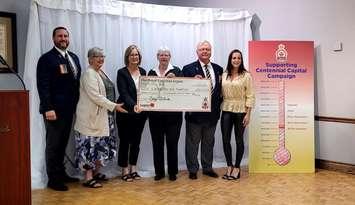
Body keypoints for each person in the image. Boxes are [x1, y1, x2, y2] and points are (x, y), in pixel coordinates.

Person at [74, 47, 127, 188]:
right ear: (90, 58)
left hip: (104, 116)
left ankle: (96, 173)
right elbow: (96, 96)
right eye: (97, 56)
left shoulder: (100, 72)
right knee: (89, 147)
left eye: (103, 56)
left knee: (100, 147)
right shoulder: (89, 74)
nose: (101, 59)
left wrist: (112, 107)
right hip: (90, 118)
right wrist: (114, 106)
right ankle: (88, 178)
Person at [36, 26, 81, 191]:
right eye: (60, 36)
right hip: (53, 111)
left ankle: (61, 174)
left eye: (66, 36)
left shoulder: (73, 57)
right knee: (53, 145)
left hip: (69, 110)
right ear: (53, 38)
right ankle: (53, 179)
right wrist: (48, 107)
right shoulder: (47, 59)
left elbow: (75, 83)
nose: (63, 39)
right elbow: (43, 85)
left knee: (62, 144)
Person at [182, 40, 223, 180]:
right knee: (192, 143)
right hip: (195, 115)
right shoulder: (188, 68)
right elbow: (182, 90)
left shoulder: (218, 69)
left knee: (208, 142)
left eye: (207, 49)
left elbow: (220, 91)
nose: (205, 51)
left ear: (211, 51)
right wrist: (192, 81)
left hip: (213, 114)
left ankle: (207, 168)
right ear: (197, 52)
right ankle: (193, 169)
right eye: (202, 49)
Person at [148, 47, 183, 181]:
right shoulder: (151, 72)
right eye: (161, 55)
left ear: (170, 57)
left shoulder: (177, 71)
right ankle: (159, 172)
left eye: (166, 55)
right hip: (155, 117)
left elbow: (184, 90)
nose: (164, 57)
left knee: (172, 144)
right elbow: (148, 93)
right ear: (157, 57)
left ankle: (173, 172)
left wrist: (176, 79)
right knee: (157, 144)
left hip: (173, 117)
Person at [220, 49, 255, 180]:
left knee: (239, 140)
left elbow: (251, 95)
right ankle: (229, 166)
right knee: (225, 139)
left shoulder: (246, 76)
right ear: (230, 59)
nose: (236, 60)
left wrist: (248, 114)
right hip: (226, 109)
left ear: (241, 60)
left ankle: (237, 168)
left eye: (238, 58)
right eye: (234, 58)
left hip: (241, 111)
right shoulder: (224, 75)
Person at [116, 45, 147, 182]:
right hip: (126, 112)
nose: (135, 57)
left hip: (140, 113)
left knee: (136, 141)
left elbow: (147, 91)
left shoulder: (144, 71)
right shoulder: (121, 72)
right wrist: (134, 105)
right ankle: (124, 169)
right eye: (132, 55)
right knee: (125, 141)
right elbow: (123, 93)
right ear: (127, 57)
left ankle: (133, 168)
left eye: (137, 55)